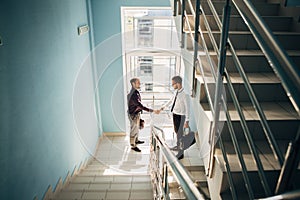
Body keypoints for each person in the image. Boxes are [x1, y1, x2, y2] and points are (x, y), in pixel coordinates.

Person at [160, 76, 190, 159]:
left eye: (173, 84)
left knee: (180, 134)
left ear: (178, 83)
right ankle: (178, 146)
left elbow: (188, 108)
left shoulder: (184, 95)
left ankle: (181, 153)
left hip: (181, 116)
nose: (172, 85)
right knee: (177, 132)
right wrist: (163, 107)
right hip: (175, 115)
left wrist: (187, 121)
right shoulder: (176, 92)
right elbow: (171, 101)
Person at [127, 78, 160, 152]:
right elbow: (140, 105)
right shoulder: (133, 95)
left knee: (136, 129)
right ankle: (133, 145)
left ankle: (136, 140)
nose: (139, 84)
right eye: (138, 83)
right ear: (133, 84)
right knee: (133, 130)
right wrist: (152, 110)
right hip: (133, 115)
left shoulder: (136, 92)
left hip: (136, 113)